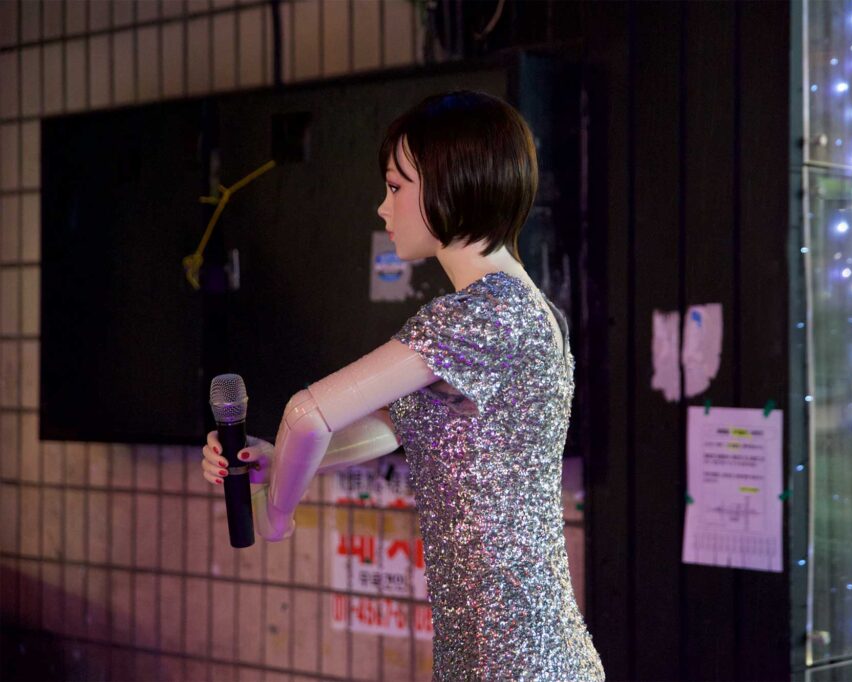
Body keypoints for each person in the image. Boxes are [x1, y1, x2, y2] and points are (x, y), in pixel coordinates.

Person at [200, 91, 605, 681]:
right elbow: (390, 431)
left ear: (453, 183)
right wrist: (271, 459)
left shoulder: (484, 314)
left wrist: (277, 514)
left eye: (395, 187)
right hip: (511, 654)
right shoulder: (517, 308)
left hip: (516, 662)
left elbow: (307, 413)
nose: (383, 209)